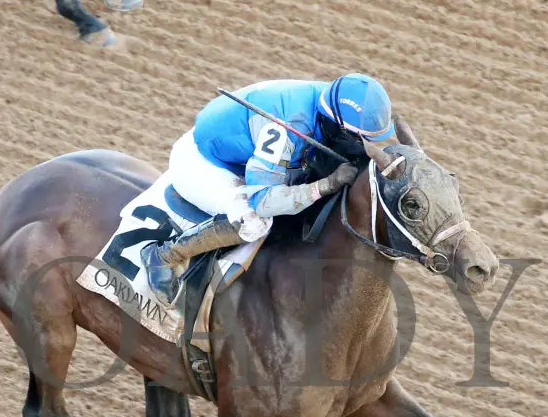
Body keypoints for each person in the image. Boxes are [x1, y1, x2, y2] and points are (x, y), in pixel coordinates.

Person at [141, 74, 397, 306]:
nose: (360, 143)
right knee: (254, 223)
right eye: (356, 137)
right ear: (336, 123)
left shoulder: (330, 104)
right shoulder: (286, 126)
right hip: (205, 160)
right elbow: (263, 201)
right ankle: (165, 255)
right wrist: (325, 185)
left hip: (244, 149)